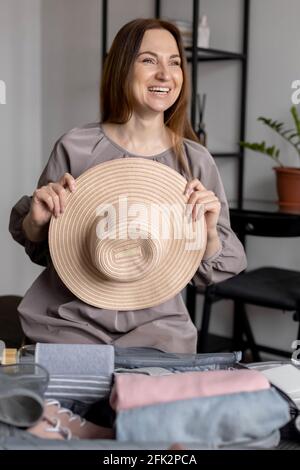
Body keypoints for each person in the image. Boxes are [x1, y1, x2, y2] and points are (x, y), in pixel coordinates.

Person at [9, 18, 247, 353]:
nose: (165, 74)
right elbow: (45, 250)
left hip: (160, 332)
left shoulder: (195, 161)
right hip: (68, 324)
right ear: (122, 68)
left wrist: (206, 235)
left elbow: (215, 271)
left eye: (174, 62)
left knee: (153, 403)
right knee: (63, 402)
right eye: (149, 60)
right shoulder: (76, 147)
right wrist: (36, 222)